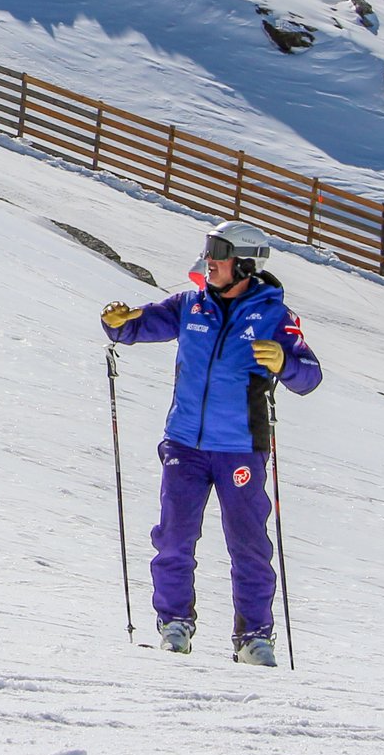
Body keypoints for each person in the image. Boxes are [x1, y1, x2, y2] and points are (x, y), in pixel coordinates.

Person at [101, 221, 321, 666]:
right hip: (184, 444)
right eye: (208, 250)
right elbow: (139, 326)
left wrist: (284, 363)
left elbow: (308, 375)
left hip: (241, 448)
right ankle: (174, 625)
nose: (209, 260)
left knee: (248, 546)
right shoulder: (190, 305)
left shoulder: (274, 316)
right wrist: (117, 323)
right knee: (174, 539)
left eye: (218, 252)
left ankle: (254, 638)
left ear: (243, 262)